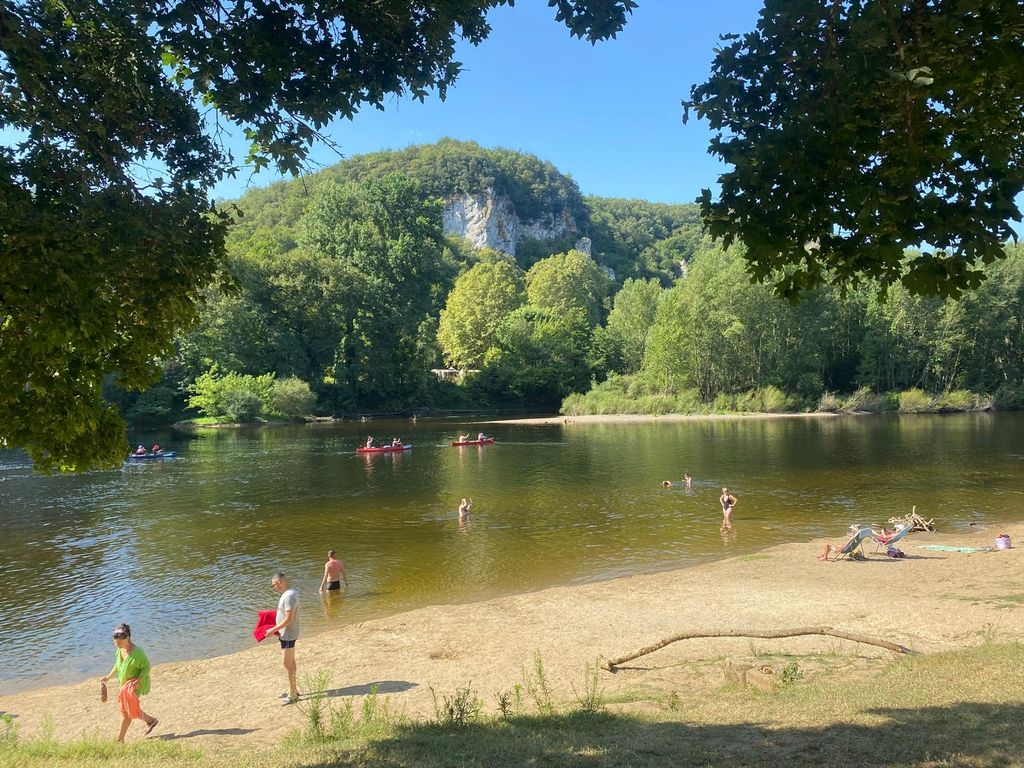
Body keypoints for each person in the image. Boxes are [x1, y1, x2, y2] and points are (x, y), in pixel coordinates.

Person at [100, 623, 158, 742]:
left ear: (128, 638)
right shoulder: (119, 650)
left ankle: (119, 740)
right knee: (130, 709)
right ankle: (151, 721)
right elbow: (118, 664)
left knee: (126, 713)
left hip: (134, 686)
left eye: (120, 642)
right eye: (115, 642)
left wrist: (138, 681)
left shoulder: (138, 653)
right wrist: (108, 677)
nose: (118, 645)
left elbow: (147, 667)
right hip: (124, 685)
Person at [265, 572, 300, 704]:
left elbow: (289, 619)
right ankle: (293, 690)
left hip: (288, 634)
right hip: (286, 633)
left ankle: (293, 695)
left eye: (274, 585)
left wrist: (272, 630)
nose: (274, 588)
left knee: (286, 663)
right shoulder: (290, 593)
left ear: (280, 582)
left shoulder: (289, 596)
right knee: (291, 662)